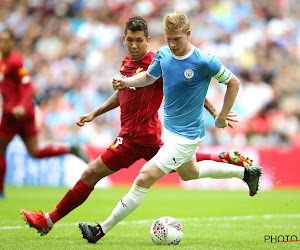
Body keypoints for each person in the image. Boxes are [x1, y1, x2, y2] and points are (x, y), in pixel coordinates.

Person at [20, 16, 253, 236]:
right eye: (130, 40)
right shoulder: (127, 62)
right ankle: (223, 158)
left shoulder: (157, 61)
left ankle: (49, 221)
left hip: (135, 137)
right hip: (149, 135)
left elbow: (186, 88)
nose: (134, 45)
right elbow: (124, 93)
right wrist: (95, 112)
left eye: (139, 41)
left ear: (147, 40)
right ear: (124, 39)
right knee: (186, 170)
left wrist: (215, 112)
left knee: (92, 173)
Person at [77, 12, 263, 244]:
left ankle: (100, 230)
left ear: (188, 34)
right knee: (189, 173)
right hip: (170, 130)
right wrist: (125, 82)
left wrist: (221, 116)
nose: (172, 44)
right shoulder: (164, 55)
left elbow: (233, 83)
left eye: (177, 39)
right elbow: (148, 77)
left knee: (143, 178)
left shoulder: (205, 61)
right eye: (168, 39)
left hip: (187, 136)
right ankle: (246, 173)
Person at [0, 29, 89, 199]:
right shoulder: (4, 61)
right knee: (34, 152)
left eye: (6, 40)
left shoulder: (14, 61)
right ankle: (69, 149)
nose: (3, 44)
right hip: (23, 112)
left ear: (12, 42)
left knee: (0, 150)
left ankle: (0, 192)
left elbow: (28, 86)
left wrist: (19, 105)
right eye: (1, 40)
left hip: (15, 113)